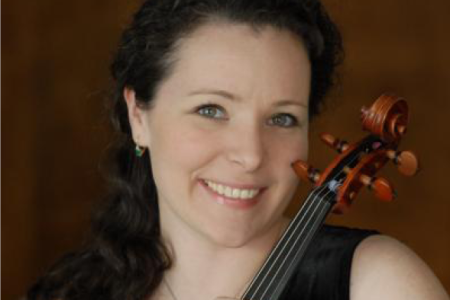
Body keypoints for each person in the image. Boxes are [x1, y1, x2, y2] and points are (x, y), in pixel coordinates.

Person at [27, 0, 449, 300]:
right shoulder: (75, 290)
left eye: (282, 118)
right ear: (139, 116)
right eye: (211, 109)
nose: (250, 155)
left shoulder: (377, 283)